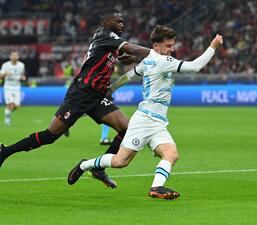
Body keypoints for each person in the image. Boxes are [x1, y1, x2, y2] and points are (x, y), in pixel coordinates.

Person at [67, 25, 223, 199]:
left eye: (172, 45)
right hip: (144, 120)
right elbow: (195, 67)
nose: (172, 49)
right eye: (168, 46)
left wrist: (112, 88)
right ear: (156, 46)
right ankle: (84, 165)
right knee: (120, 161)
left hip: (158, 122)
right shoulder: (163, 62)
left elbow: (130, 75)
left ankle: (156, 187)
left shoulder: (148, 60)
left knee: (171, 154)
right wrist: (213, 47)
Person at [0, 8, 150, 189]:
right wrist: (155, 54)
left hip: (97, 96)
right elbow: (130, 47)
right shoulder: (105, 34)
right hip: (81, 93)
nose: (122, 24)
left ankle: (99, 168)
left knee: (126, 128)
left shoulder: (109, 42)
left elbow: (102, 58)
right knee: (50, 135)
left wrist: (120, 59)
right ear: (107, 22)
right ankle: (5, 151)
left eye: (122, 21)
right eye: (118, 21)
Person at [0, 51, 26, 126]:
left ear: (18, 57)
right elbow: (0, 76)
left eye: (16, 55)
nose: (14, 57)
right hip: (8, 87)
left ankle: (7, 111)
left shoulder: (21, 65)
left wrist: (23, 77)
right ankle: (7, 119)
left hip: (17, 87)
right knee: (10, 104)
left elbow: (22, 75)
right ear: (10, 57)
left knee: (16, 106)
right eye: (13, 55)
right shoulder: (6, 65)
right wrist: (5, 74)